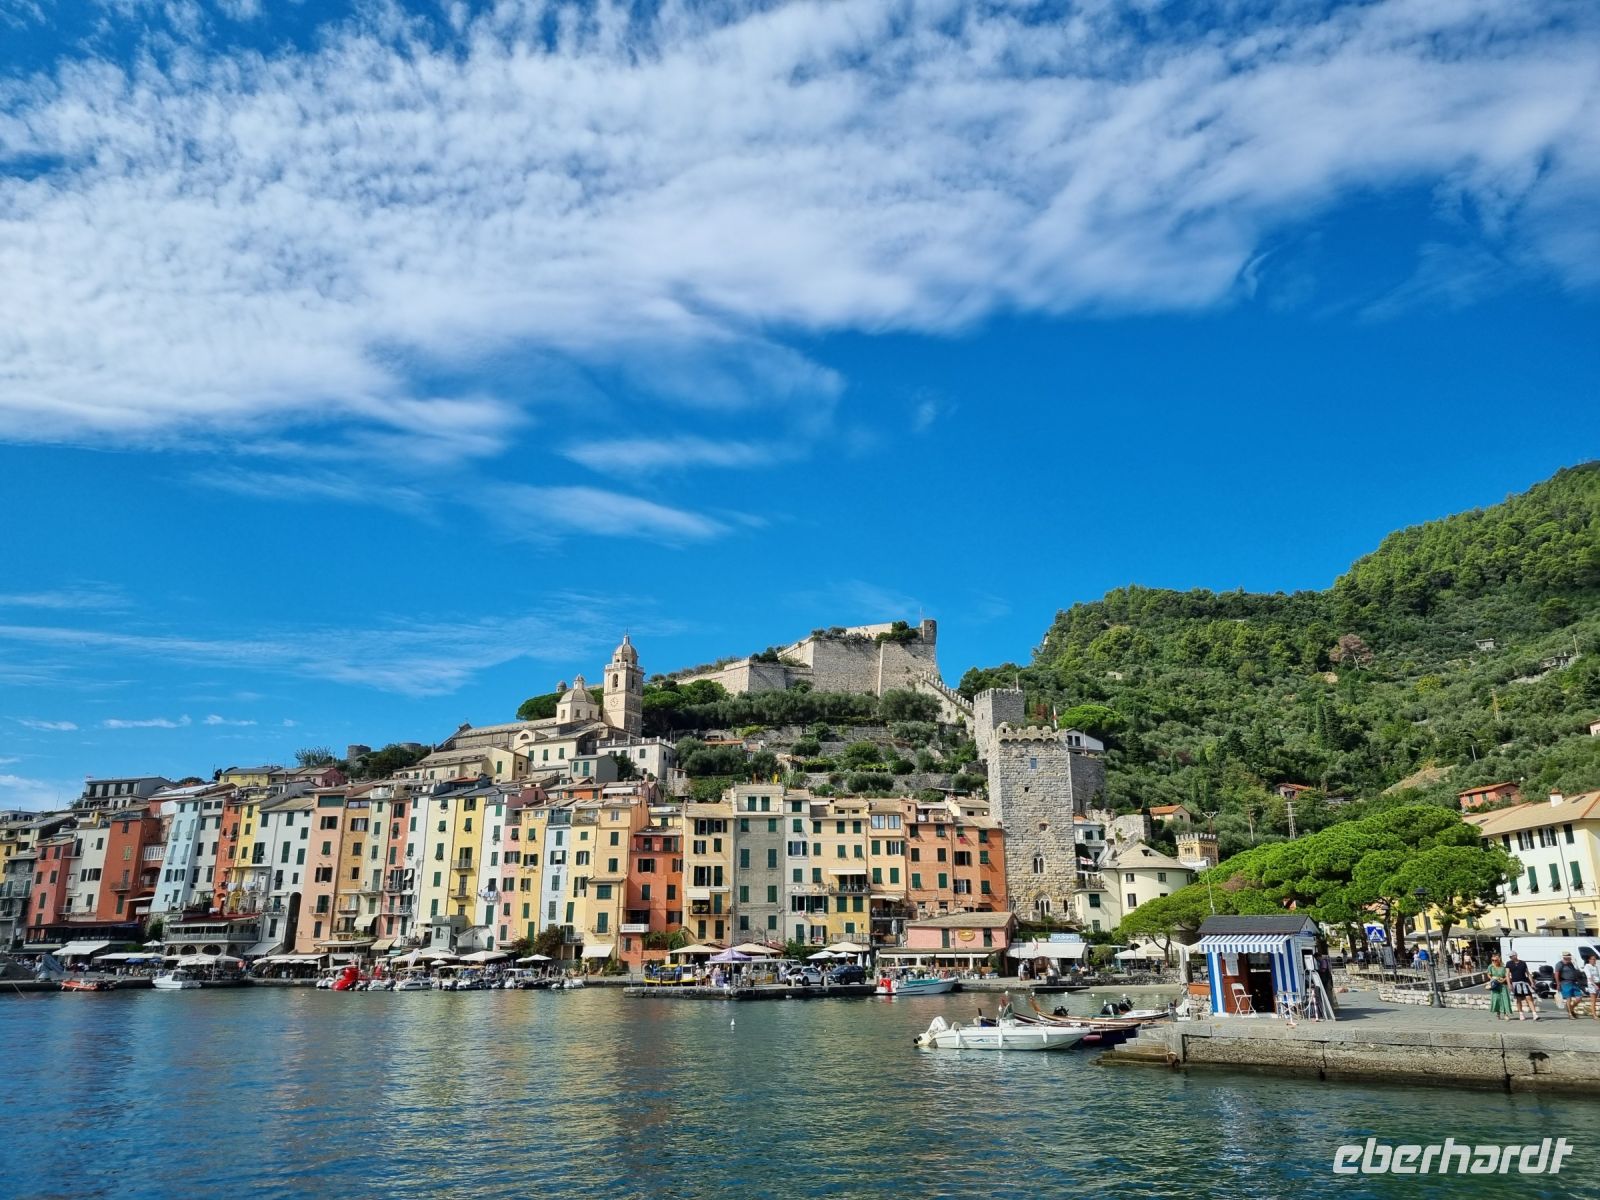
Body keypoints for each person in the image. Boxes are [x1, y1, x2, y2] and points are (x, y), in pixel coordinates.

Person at [1507, 952, 1538, 1020]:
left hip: (1524, 982)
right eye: (1510, 956)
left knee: (1529, 997)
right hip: (1515, 983)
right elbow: (1507, 974)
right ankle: (1521, 1014)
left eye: (1512, 956)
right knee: (1518, 999)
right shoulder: (1509, 963)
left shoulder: (1523, 963)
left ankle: (1534, 1014)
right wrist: (1509, 984)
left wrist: (1532, 982)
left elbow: (1528, 973)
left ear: (1515, 955)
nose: (1511, 957)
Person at [1556, 953, 1586, 1019]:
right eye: (1569, 957)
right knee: (1568, 998)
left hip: (1573, 982)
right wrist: (1558, 984)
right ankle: (1570, 1014)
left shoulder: (1571, 964)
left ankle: (1571, 1008)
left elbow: (1575, 971)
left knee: (1579, 997)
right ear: (1565, 957)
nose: (1570, 958)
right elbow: (1556, 974)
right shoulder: (1559, 964)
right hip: (1565, 983)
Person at [1486, 953, 1511, 1020]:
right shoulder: (1490, 966)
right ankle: (1498, 1013)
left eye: (1495, 960)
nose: (1494, 961)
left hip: (1502, 984)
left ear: (1499, 959)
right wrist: (1492, 979)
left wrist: (1503, 980)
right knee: (1496, 999)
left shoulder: (1503, 967)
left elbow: (1507, 975)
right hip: (1495, 984)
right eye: (1493, 960)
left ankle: (1506, 1014)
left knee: (1505, 999)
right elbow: (1488, 974)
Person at [1582, 950, 1600, 1020]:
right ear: (1589, 960)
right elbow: (1589, 977)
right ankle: (1594, 1015)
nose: (1594, 960)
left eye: (1595, 959)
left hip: (1597, 983)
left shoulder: (1595, 967)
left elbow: (1597, 976)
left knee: (1596, 999)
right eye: (1593, 959)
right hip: (1592, 984)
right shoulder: (1587, 967)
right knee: (1593, 1000)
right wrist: (1595, 985)